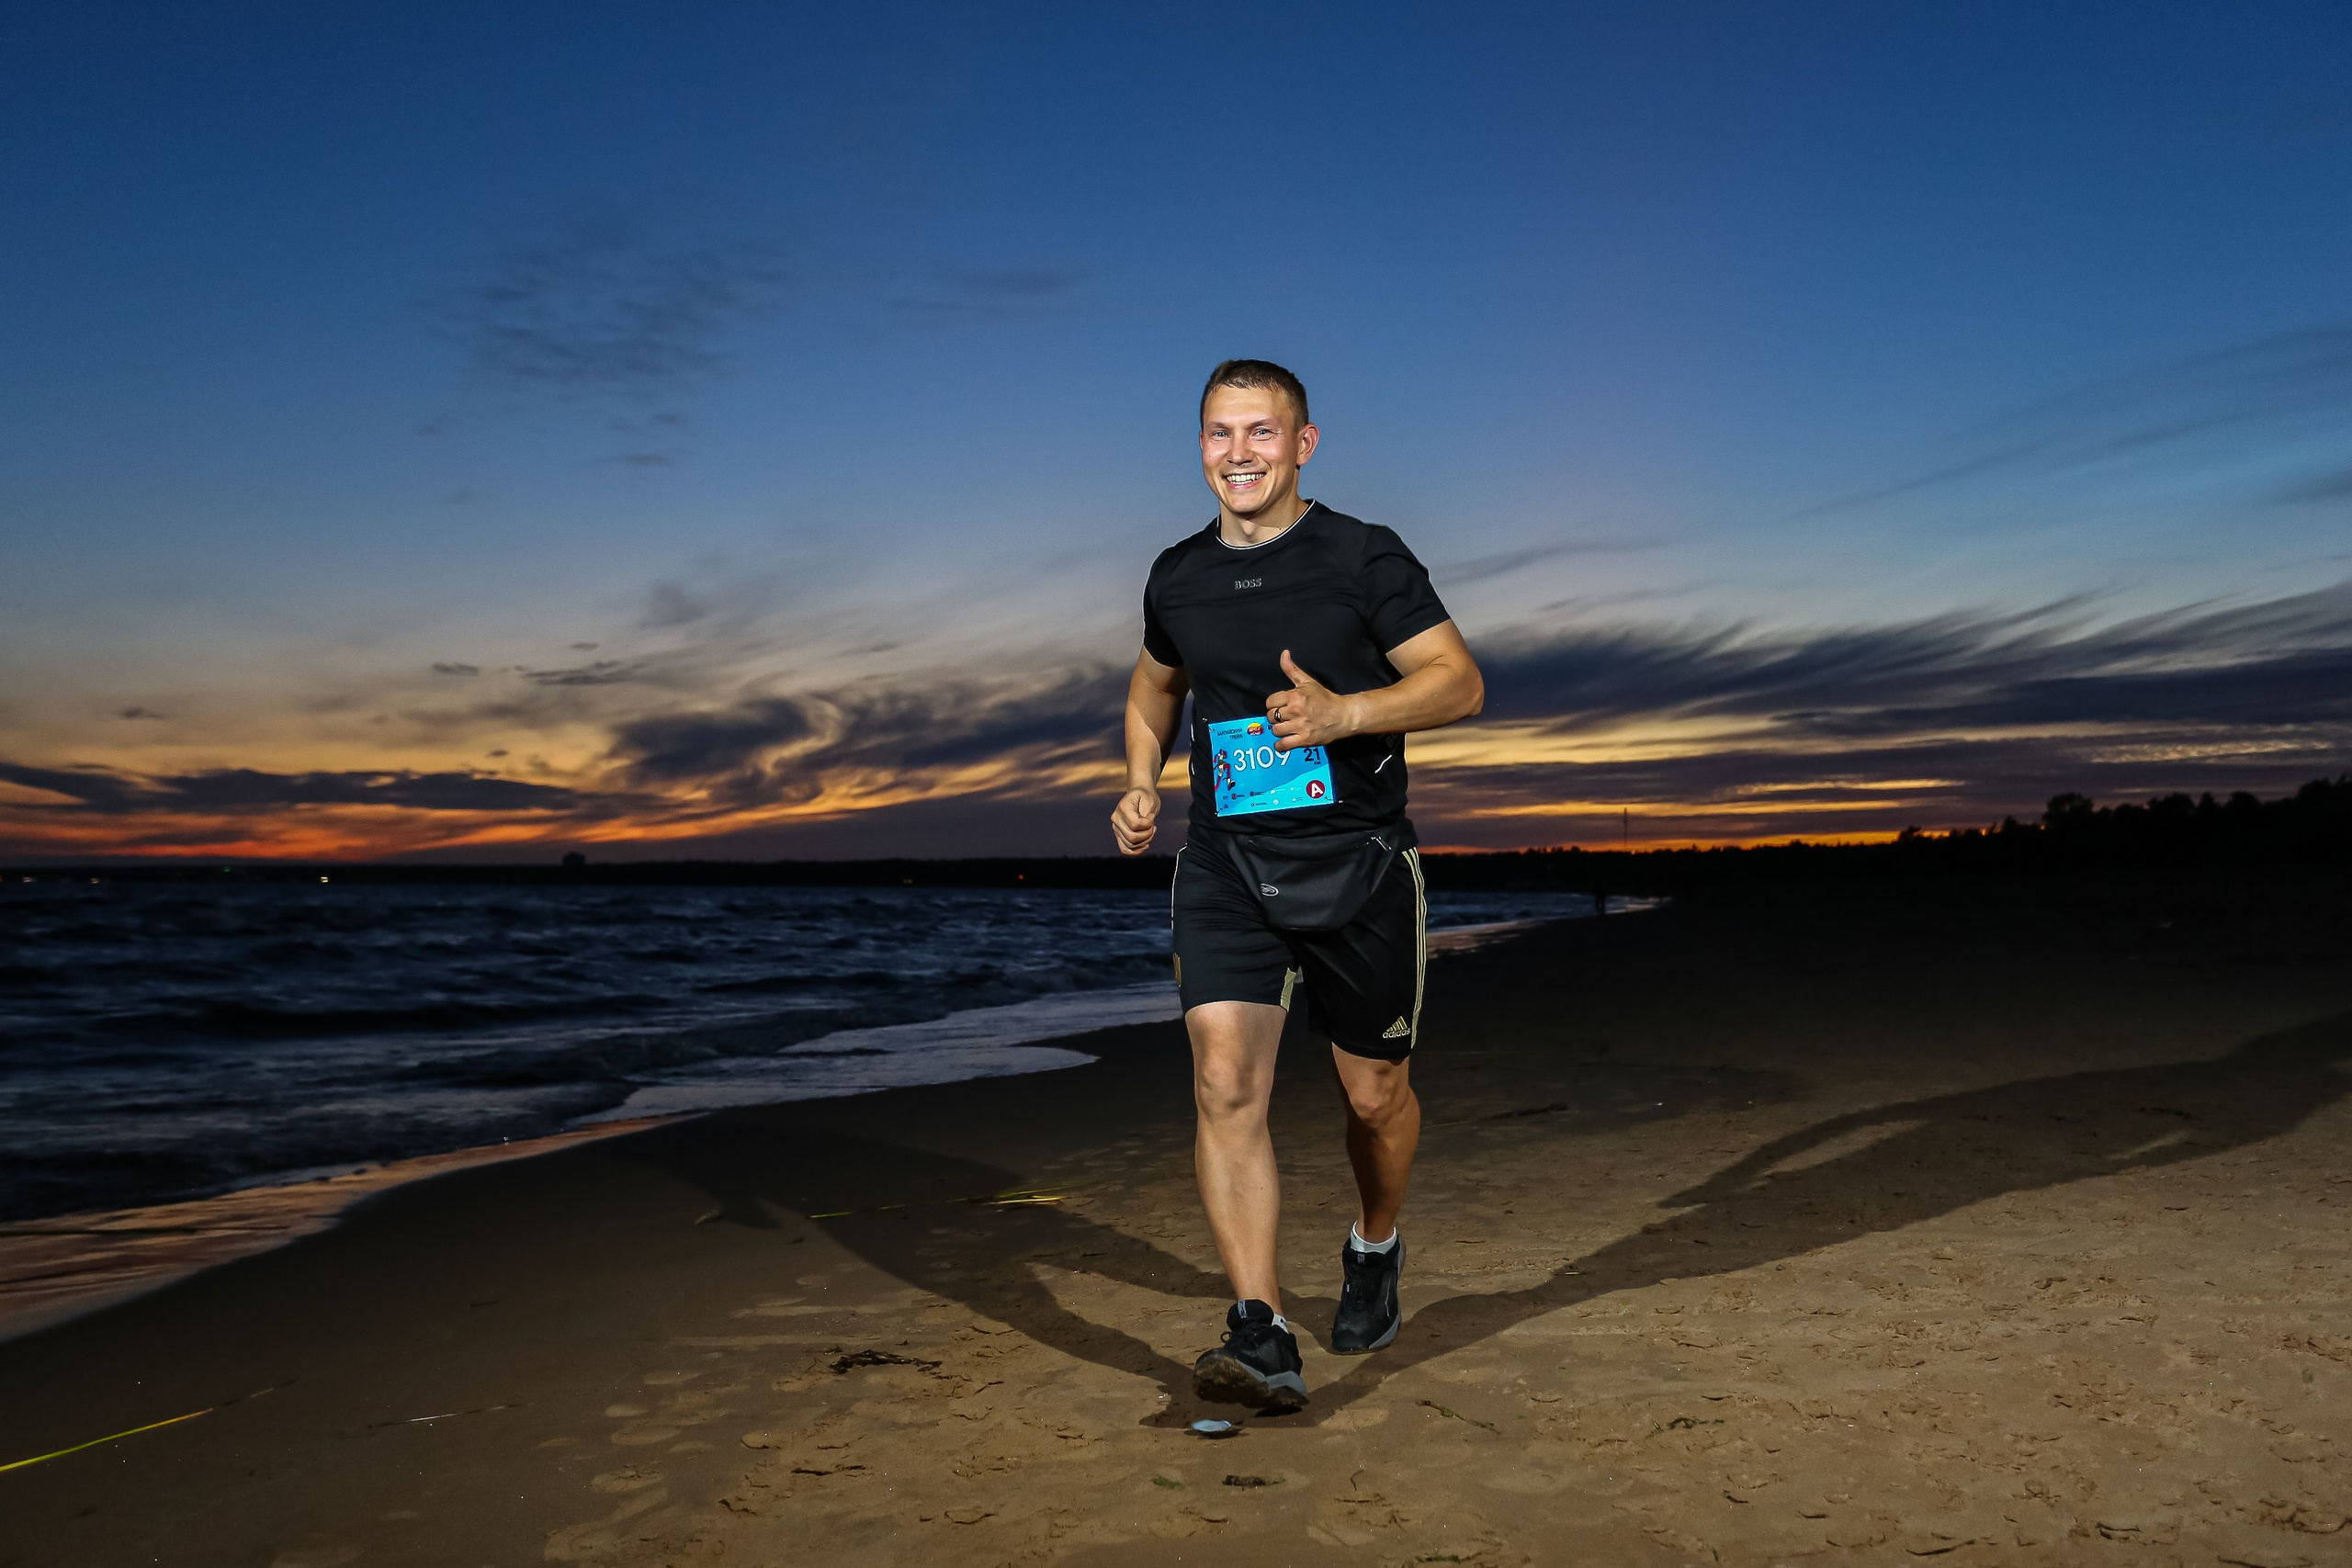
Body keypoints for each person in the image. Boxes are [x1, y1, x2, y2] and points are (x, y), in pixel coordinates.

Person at [1112, 359, 1486, 1411]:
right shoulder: (1175, 574)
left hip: (1357, 862)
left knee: (1376, 1098)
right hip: (1226, 859)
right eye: (1220, 435)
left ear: (1302, 444)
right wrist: (1140, 782)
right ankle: (1260, 1325)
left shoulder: (1363, 556)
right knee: (1224, 1079)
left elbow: (1458, 682)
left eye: (1261, 434)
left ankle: (1374, 1245)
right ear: (1199, 448)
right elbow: (1151, 684)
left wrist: (1344, 716)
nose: (1240, 454)